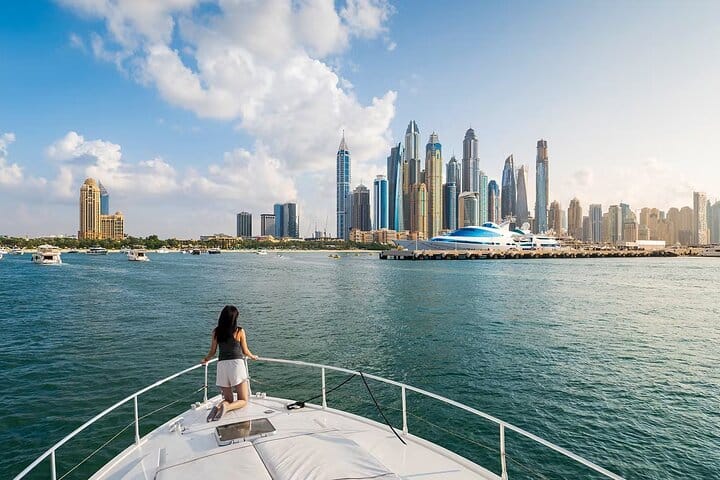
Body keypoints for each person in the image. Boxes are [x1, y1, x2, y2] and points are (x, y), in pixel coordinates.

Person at [202, 305, 258, 422]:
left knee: (228, 398)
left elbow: (212, 351)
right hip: (236, 365)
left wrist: (206, 359)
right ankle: (227, 407)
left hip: (222, 366)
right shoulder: (239, 331)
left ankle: (218, 407)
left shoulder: (216, 332)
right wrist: (253, 356)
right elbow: (245, 351)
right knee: (243, 399)